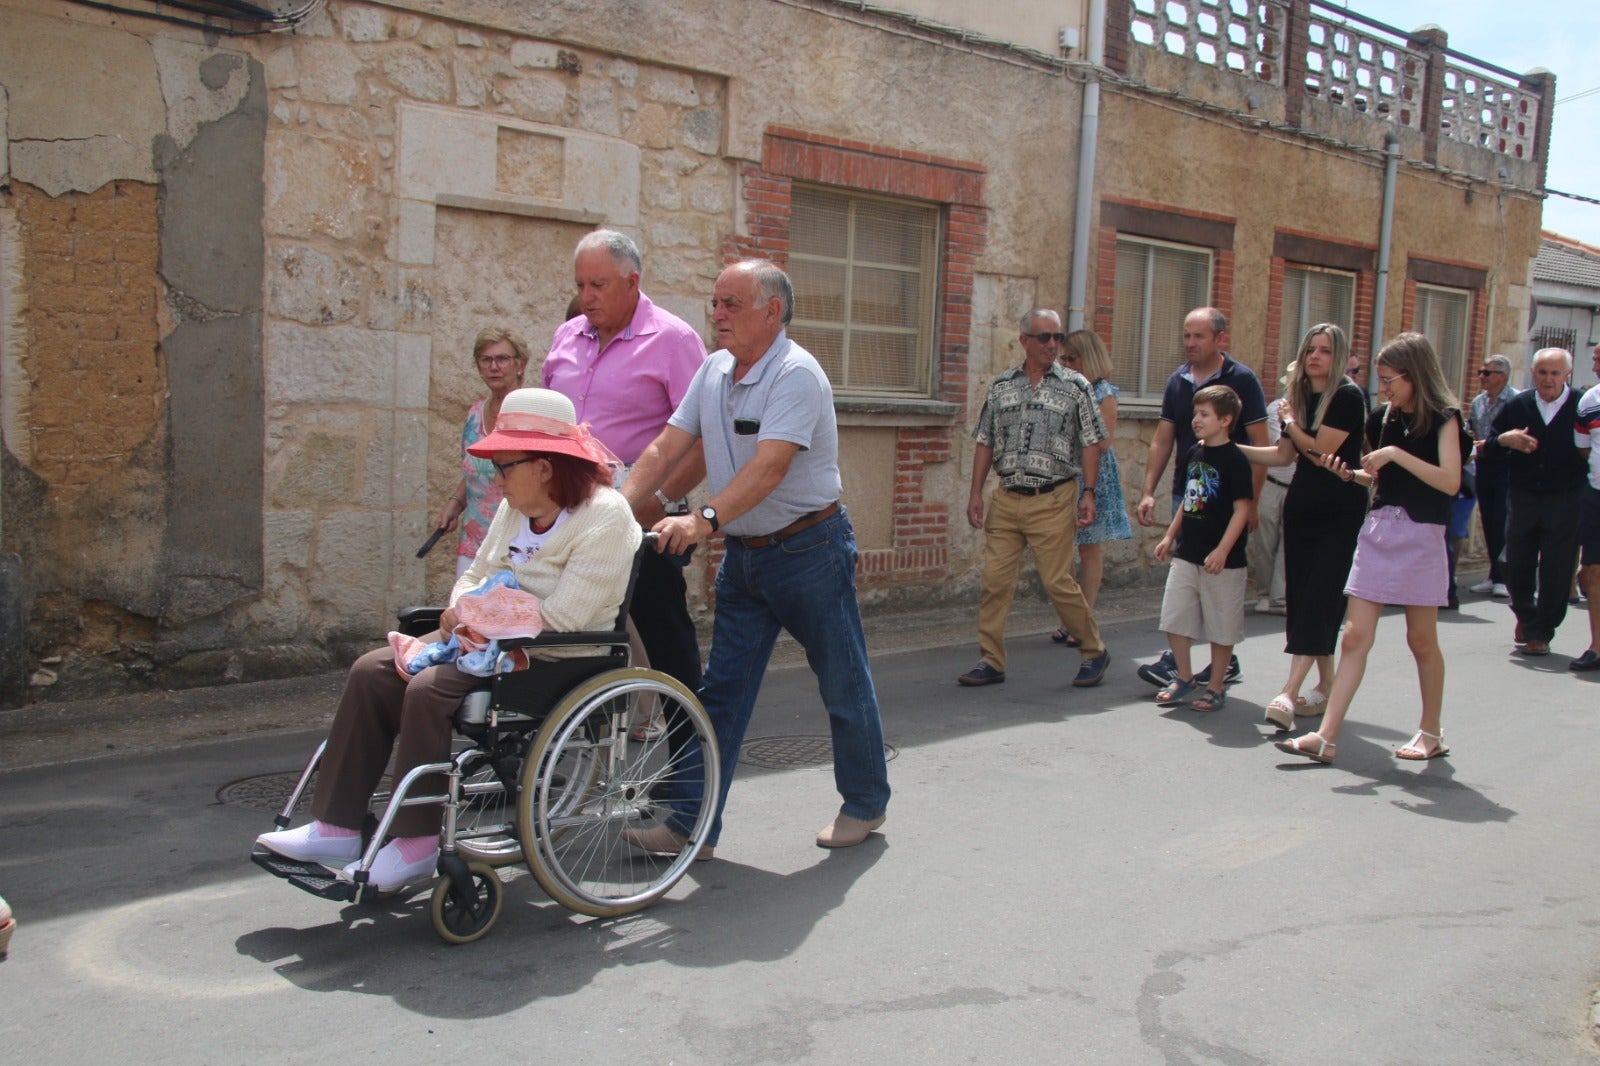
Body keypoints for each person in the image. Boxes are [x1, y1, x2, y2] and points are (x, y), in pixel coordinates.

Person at [257, 388, 641, 890]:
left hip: (552, 658)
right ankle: (337, 825)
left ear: (545, 467)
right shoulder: (513, 510)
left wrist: (473, 614)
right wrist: (464, 609)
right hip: (489, 646)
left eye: (505, 466)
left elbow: (563, 616)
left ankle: (415, 844)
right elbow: (474, 573)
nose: (496, 479)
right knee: (372, 671)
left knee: (428, 688)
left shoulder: (605, 515)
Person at [619, 260, 890, 857]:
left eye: (731, 304)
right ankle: (692, 826)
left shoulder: (797, 374)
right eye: (715, 302)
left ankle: (866, 803)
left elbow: (769, 466)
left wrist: (702, 520)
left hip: (811, 551)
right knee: (722, 694)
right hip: (746, 557)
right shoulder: (714, 369)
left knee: (843, 683)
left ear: (773, 312)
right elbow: (667, 445)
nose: (717, 314)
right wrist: (617, 510)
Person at [1276, 333, 1465, 764]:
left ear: (1415, 375)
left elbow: (1449, 481)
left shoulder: (1444, 418)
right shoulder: (1383, 417)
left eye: (1391, 379)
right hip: (1380, 528)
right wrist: (1352, 475)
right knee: (1356, 636)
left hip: (1421, 535)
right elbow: (1380, 480)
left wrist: (1395, 454)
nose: (1384, 389)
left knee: (1421, 639)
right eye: (1380, 379)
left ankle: (1430, 732)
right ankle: (1325, 737)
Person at [542, 229, 709, 703]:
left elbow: (703, 442)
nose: (586, 297)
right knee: (568, 634)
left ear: (632, 281)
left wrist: (652, 506)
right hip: (570, 509)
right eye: (580, 286)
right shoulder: (566, 337)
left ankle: (689, 761)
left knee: (663, 635)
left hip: (645, 515)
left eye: (598, 285)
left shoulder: (674, 340)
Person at [958, 310, 1112, 687]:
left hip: (1054, 496)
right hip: (1008, 497)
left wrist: (1088, 493)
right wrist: (976, 492)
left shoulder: (1076, 386)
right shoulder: (1001, 386)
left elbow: (1091, 442)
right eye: (1044, 337)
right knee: (995, 581)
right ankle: (991, 659)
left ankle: (1094, 650)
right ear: (1024, 340)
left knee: (1057, 581)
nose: (1052, 345)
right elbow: (985, 440)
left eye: (1057, 337)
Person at [1236, 324, 1369, 729]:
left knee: (1319, 597)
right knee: (1306, 598)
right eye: (1310, 349)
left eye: (1325, 350)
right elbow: (1283, 455)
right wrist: (1230, 449)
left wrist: (1290, 420)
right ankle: (1326, 684)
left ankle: (1288, 693)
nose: (1314, 357)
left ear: (1339, 356)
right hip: (1303, 506)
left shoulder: (1347, 396)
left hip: (1339, 510)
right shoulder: (1301, 397)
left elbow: (1319, 450)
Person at [1135, 307, 1269, 689]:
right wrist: (1149, 492)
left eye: (1199, 336)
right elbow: (1163, 438)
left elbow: (1261, 446)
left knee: (1218, 583)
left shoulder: (1243, 380)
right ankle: (1185, 665)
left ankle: (1217, 662)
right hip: (1190, 488)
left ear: (1219, 339)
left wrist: (1253, 502)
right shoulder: (1178, 380)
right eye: (1186, 336)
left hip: (1230, 499)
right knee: (1187, 580)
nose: (1191, 344)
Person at [1150, 385, 1253, 712]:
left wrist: (1223, 549)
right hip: (1188, 553)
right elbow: (1189, 500)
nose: (1196, 420)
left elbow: (1242, 510)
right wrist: (1169, 536)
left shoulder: (1236, 459)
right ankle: (1184, 676)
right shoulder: (1195, 452)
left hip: (1222, 561)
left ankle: (1218, 685)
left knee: (1222, 626)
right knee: (1175, 617)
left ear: (1225, 420)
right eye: (1196, 413)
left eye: (1204, 414)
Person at [1483, 347, 1589, 656]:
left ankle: (1541, 630)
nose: (1548, 379)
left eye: (1555, 373)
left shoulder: (1582, 406)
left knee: (1557, 568)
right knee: (1517, 563)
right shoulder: (1519, 405)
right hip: (1524, 496)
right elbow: (1489, 445)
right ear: (1533, 374)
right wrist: (1506, 440)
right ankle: (1525, 615)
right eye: (1542, 372)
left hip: (1566, 498)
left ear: (1567, 375)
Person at [1051, 329, 1133, 646]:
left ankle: (1083, 617)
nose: (1068, 364)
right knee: (1059, 548)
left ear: (1090, 357)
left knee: (1089, 547)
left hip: (1093, 473)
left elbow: (1103, 441)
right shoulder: (1064, 388)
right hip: (1065, 471)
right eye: (1065, 359)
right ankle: (1070, 615)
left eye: (1073, 358)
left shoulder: (1103, 393)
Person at [432, 328, 531, 577]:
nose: (494, 366)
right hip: (474, 540)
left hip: (517, 541)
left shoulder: (529, 413)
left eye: (502, 359)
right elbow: (474, 468)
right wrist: (454, 504)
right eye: (486, 360)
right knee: (464, 610)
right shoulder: (474, 414)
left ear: (521, 364)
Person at [1467, 353, 1518, 598]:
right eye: (1481, 372)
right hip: (1483, 465)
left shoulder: (1516, 401)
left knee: (1503, 520)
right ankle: (1493, 573)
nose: (1482, 377)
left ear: (1503, 376)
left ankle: (1504, 576)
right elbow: (1472, 429)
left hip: (1507, 466)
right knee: (1488, 519)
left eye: (1487, 373)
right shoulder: (1478, 402)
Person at [1571, 343, 1600, 671]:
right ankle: (1597, 646)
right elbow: (1583, 449)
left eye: (1599, 360)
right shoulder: (1590, 402)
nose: (1594, 367)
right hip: (1597, 494)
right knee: (1594, 571)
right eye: (1594, 359)